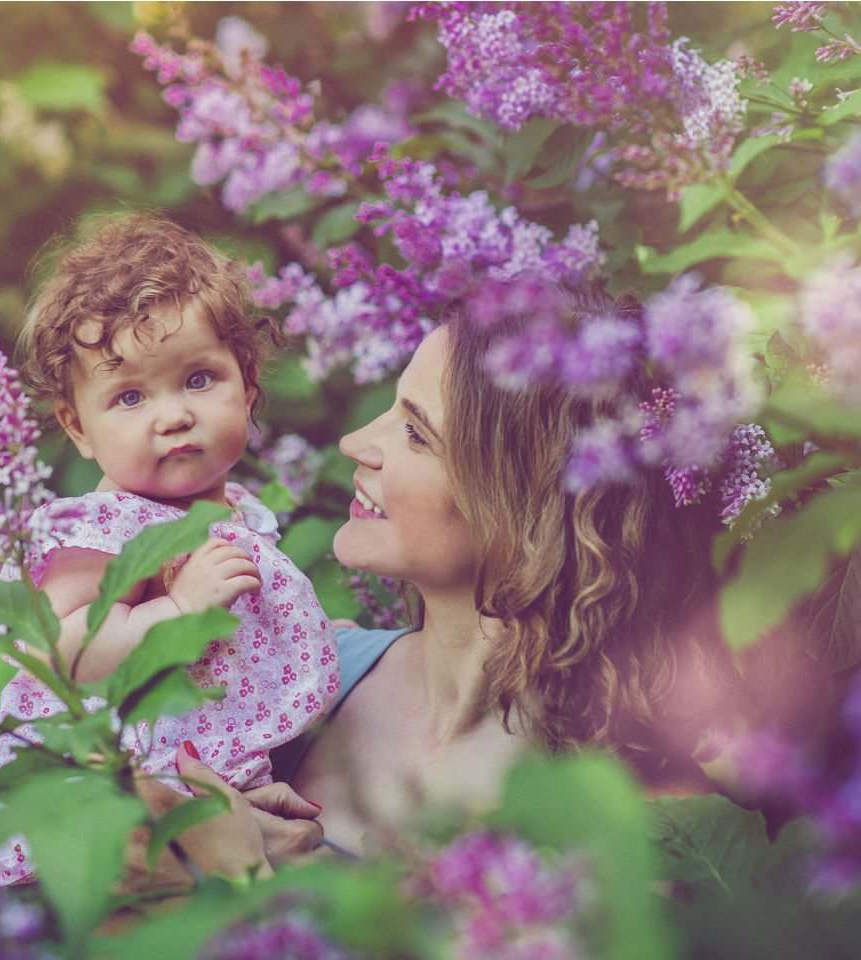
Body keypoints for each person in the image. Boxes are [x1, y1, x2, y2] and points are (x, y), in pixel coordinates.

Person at [139, 280, 734, 875]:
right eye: (393, 408)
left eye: (418, 433)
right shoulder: (301, 673)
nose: (354, 443)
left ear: (529, 510)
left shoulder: (653, 834)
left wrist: (248, 883)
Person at [0, 215, 340, 887]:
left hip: (203, 804)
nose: (172, 415)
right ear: (78, 428)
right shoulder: (106, 529)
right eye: (130, 396)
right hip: (100, 809)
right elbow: (54, 649)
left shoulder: (237, 517)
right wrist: (179, 611)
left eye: (198, 380)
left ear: (248, 384)